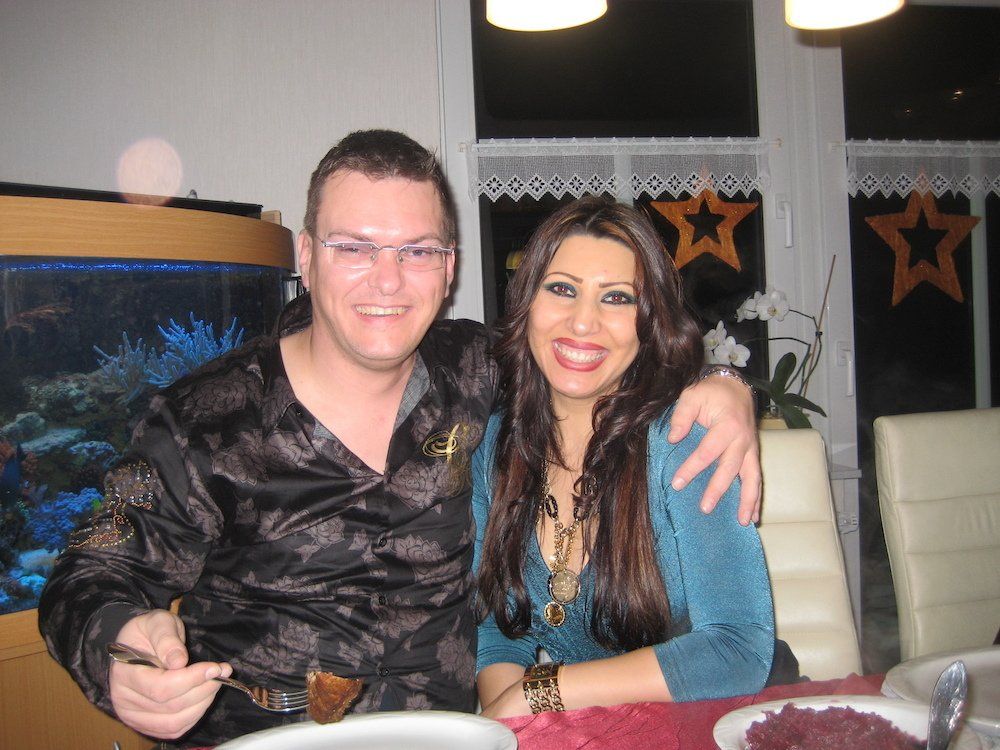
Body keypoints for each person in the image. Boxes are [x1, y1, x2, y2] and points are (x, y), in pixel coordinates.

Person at [39, 131, 759, 747]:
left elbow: (595, 354)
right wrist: (118, 647)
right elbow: (89, 569)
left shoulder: (479, 373)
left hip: (446, 736)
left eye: (416, 251)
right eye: (355, 247)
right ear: (306, 255)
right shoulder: (201, 418)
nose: (387, 281)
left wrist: (726, 386)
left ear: (449, 267)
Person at [473, 197, 775, 719]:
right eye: (561, 288)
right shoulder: (497, 443)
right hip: (583, 727)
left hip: (705, 721)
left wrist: (538, 693)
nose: (582, 322)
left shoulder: (684, 439)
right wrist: (514, 723)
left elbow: (739, 648)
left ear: (648, 321)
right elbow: (498, 630)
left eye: (616, 298)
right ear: (526, 302)